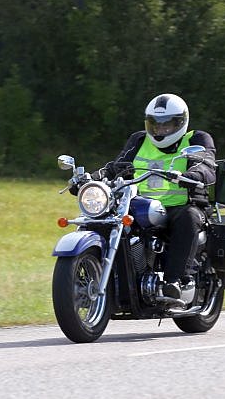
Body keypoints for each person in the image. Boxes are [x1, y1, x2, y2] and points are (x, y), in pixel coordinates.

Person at [93, 93, 218, 300]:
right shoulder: (139, 139)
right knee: (106, 218)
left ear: (180, 123)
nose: (160, 130)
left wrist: (190, 175)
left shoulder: (196, 139)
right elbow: (117, 166)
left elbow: (206, 164)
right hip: (141, 205)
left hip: (181, 205)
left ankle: (175, 281)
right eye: (155, 124)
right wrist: (93, 178)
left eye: (166, 125)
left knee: (189, 217)